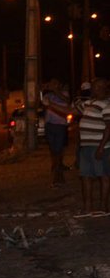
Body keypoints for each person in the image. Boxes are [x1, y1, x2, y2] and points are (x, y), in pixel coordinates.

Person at [75, 78, 110, 217]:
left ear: (106, 88)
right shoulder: (89, 103)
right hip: (86, 145)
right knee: (85, 176)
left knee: (103, 176)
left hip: (100, 146)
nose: (97, 89)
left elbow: (109, 127)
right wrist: (50, 104)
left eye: (100, 86)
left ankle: (104, 207)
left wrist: (101, 147)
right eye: (95, 86)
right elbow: (70, 109)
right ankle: (87, 208)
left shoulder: (107, 104)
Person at [41, 79, 72, 186]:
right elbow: (42, 103)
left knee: (58, 150)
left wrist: (56, 91)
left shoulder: (64, 93)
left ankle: (58, 173)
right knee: (53, 150)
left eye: (55, 83)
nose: (53, 85)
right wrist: (41, 90)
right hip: (49, 125)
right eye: (52, 83)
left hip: (60, 125)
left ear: (59, 85)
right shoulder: (48, 95)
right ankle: (57, 170)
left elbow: (67, 101)